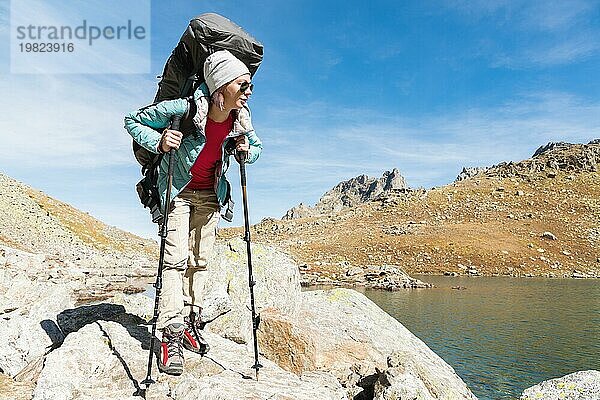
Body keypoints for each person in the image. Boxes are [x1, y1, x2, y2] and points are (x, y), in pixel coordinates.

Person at [124, 50, 262, 375]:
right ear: (220, 87)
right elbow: (132, 120)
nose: (248, 91)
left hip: (211, 197)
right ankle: (170, 334)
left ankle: (189, 320)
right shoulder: (184, 108)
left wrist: (246, 152)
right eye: (242, 84)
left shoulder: (241, 119)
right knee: (174, 261)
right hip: (178, 192)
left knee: (199, 262)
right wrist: (159, 140)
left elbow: (256, 147)